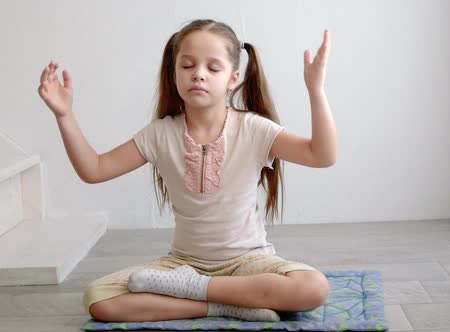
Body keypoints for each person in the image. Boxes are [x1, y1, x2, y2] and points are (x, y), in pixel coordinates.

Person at [37, 19, 336, 323]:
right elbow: (95, 169)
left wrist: (316, 90)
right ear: (174, 72)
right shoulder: (159, 134)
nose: (199, 75)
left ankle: (201, 290)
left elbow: (321, 155)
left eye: (213, 68)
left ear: (233, 78)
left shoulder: (253, 129)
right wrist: (65, 115)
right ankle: (221, 304)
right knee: (99, 299)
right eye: (188, 65)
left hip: (249, 263)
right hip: (182, 266)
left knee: (313, 288)